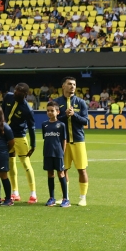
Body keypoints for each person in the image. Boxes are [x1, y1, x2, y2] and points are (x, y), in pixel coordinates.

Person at [54, 77, 90, 205]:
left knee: (82, 169)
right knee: (63, 169)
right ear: (63, 86)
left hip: (78, 140)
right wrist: (65, 116)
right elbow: (55, 120)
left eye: (74, 84)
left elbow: (86, 121)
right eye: (69, 84)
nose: (72, 86)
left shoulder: (81, 102)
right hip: (63, 141)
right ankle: (65, 196)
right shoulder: (56, 102)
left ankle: (82, 197)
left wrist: (74, 115)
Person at [4, 81, 38, 203]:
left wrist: (33, 145)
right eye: (15, 89)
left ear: (25, 93)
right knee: (10, 163)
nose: (15, 92)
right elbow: (2, 113)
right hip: (6, 136)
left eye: (18, 91)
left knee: (26, 164)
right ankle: (15, 192)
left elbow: (31, 128)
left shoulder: (27, 109)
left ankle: (33, 194)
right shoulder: (8, 97)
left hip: (19, 137)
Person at [41, 101, 70, 207]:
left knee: (61, 174)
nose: (49, 112)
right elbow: (46, 138)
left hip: (58, 153)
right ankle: (51, 198)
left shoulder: (61, 125)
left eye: (52, 110)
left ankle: (65, 199)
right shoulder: (45, 124)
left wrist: (62, 152)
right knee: (50, 174)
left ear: (57, 112)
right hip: (48, 153)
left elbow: (64, 140)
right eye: (48, 111)